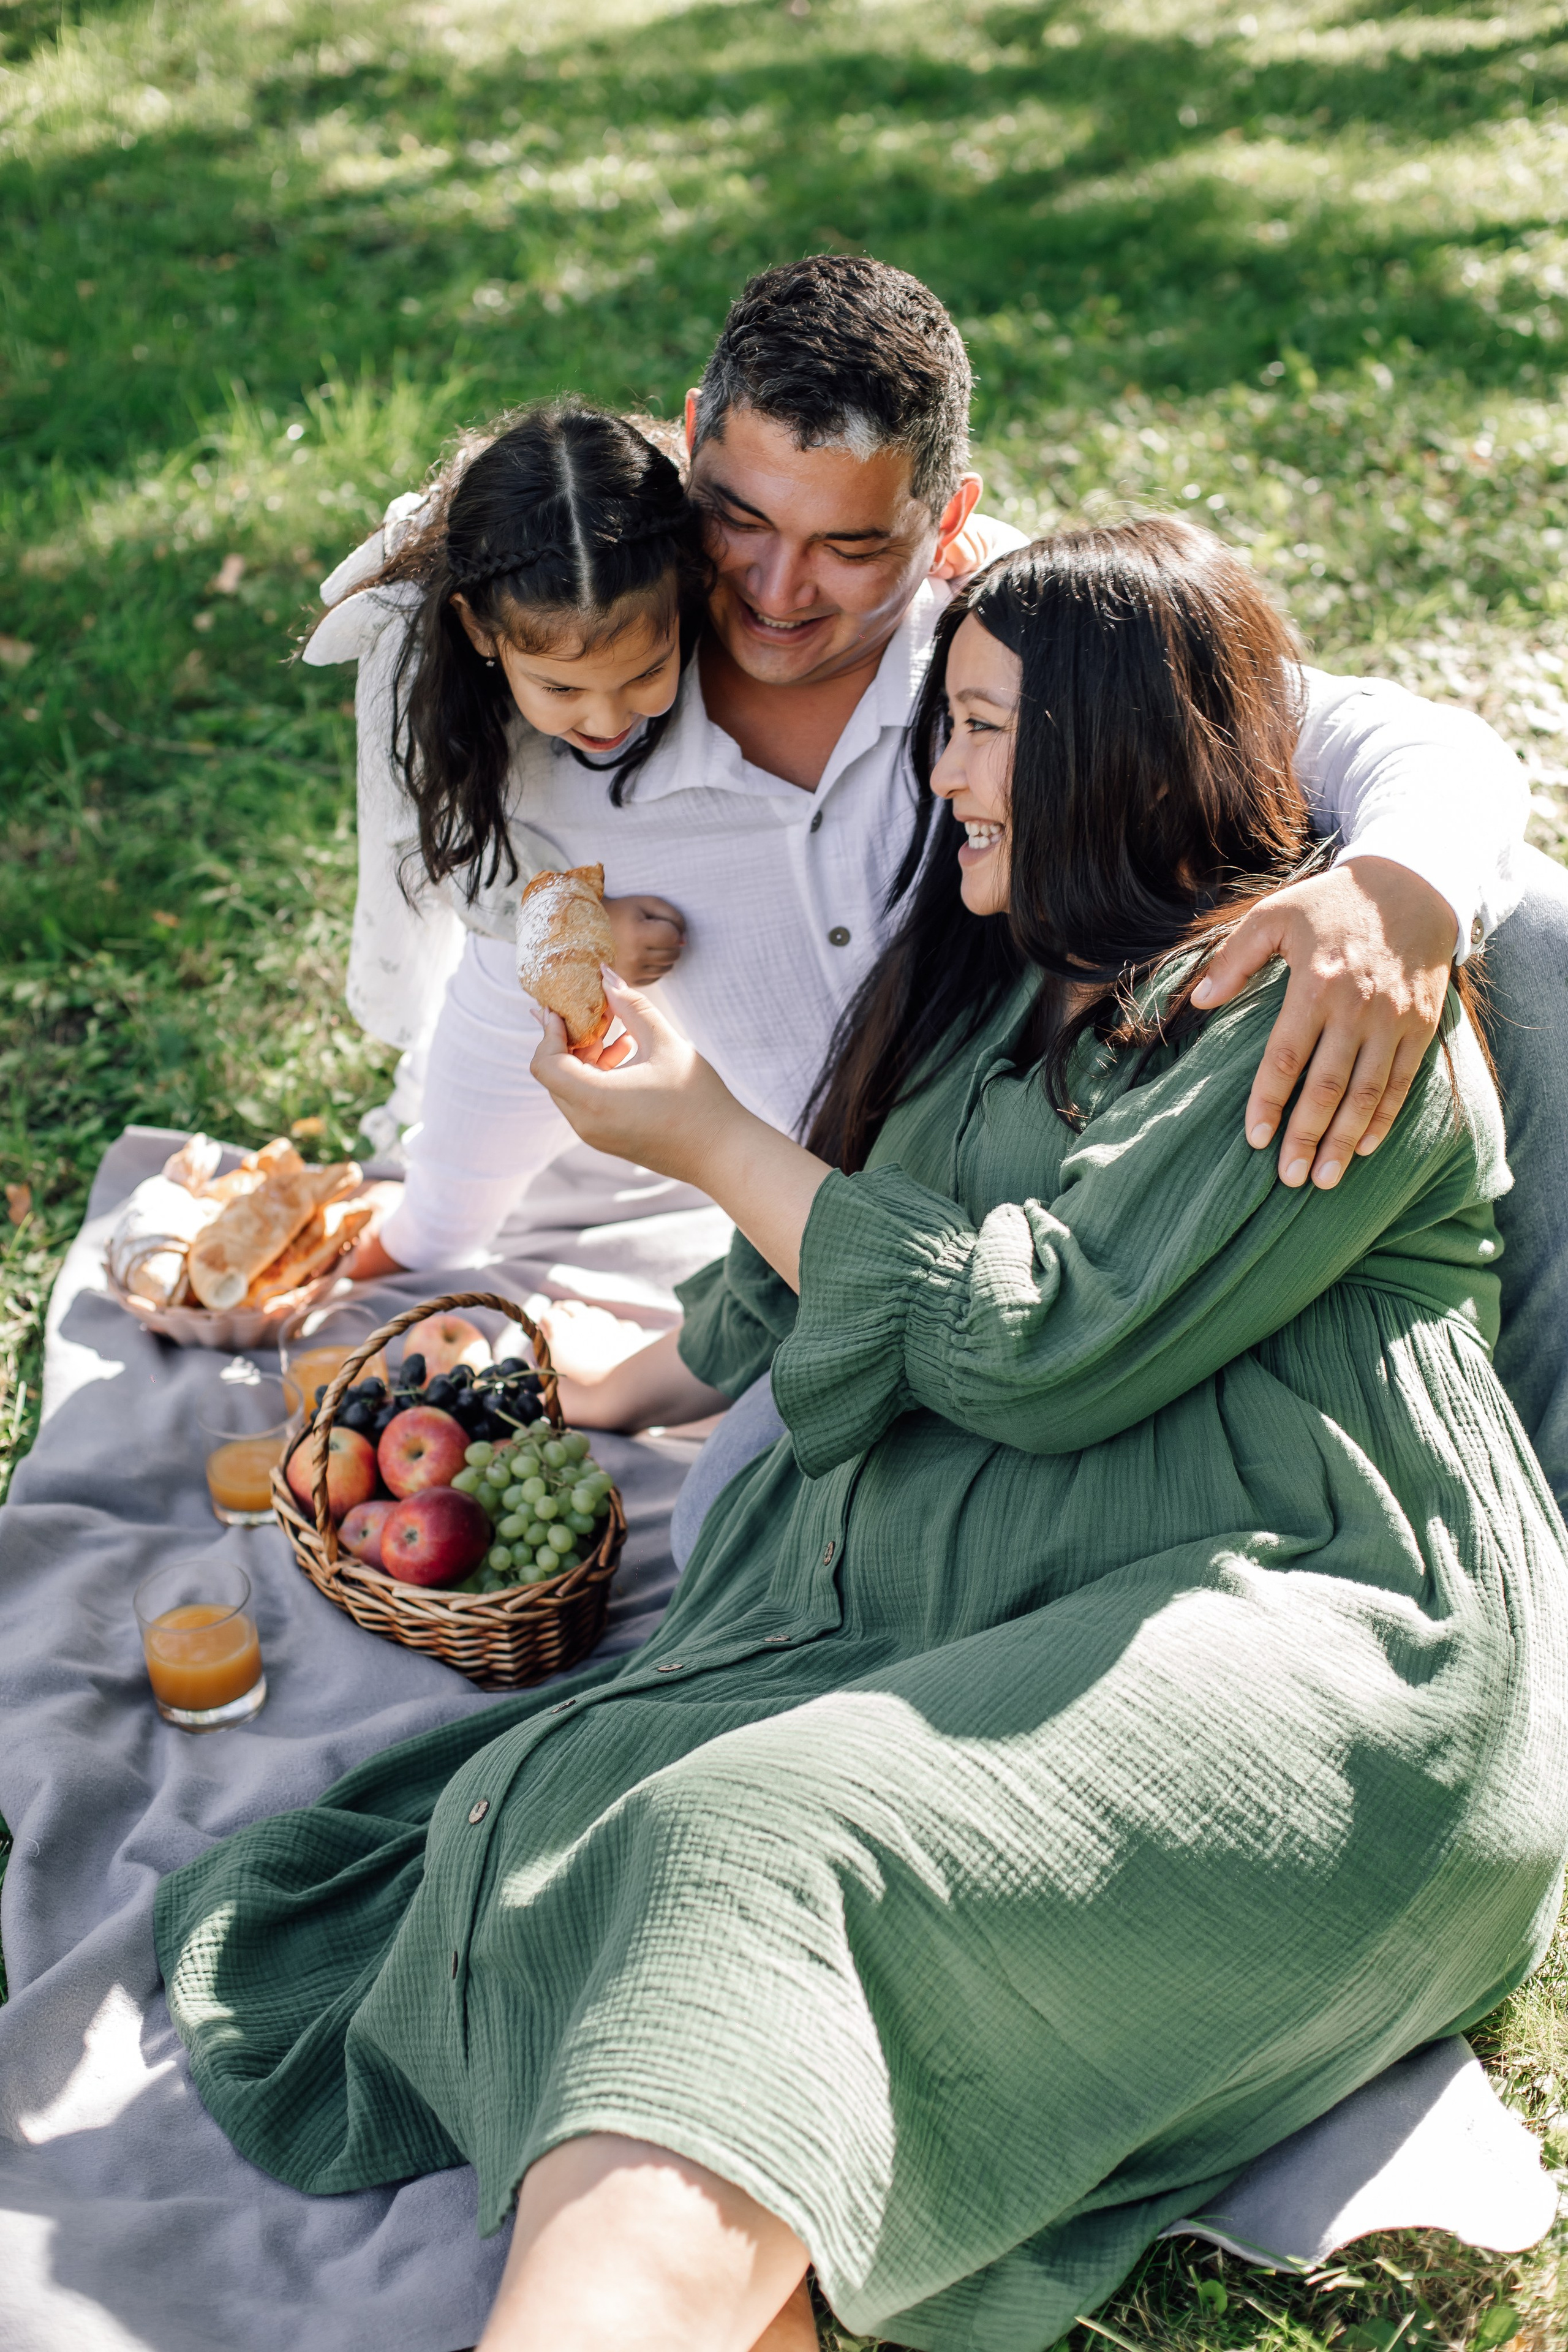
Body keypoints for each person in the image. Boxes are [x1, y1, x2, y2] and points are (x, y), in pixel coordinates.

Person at [157, 521, 1568, 2352]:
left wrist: (715, 1138)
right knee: (577, 1816)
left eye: (985, 732)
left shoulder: (1313, 1020)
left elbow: (1034, 1339)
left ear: (1117, 749)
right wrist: (575, 1372)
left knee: (755, 1843)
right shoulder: (996, 984)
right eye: (949, 725)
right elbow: (794, 1277)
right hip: (1059, 1596)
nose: (941, 771)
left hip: (1328, 1643)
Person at [309, 256, 1529, 1313]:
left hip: (1091, 1200)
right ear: (691, 447)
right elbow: (503, 986)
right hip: (837, 1264)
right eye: (739, 520)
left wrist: (1395, 886)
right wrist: (421, 1243)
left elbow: (1391, 735)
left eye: (849, 548)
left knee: (1536, 935)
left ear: (946, 522)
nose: (776, 591)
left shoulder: (1011, 627)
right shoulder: (575, 700)